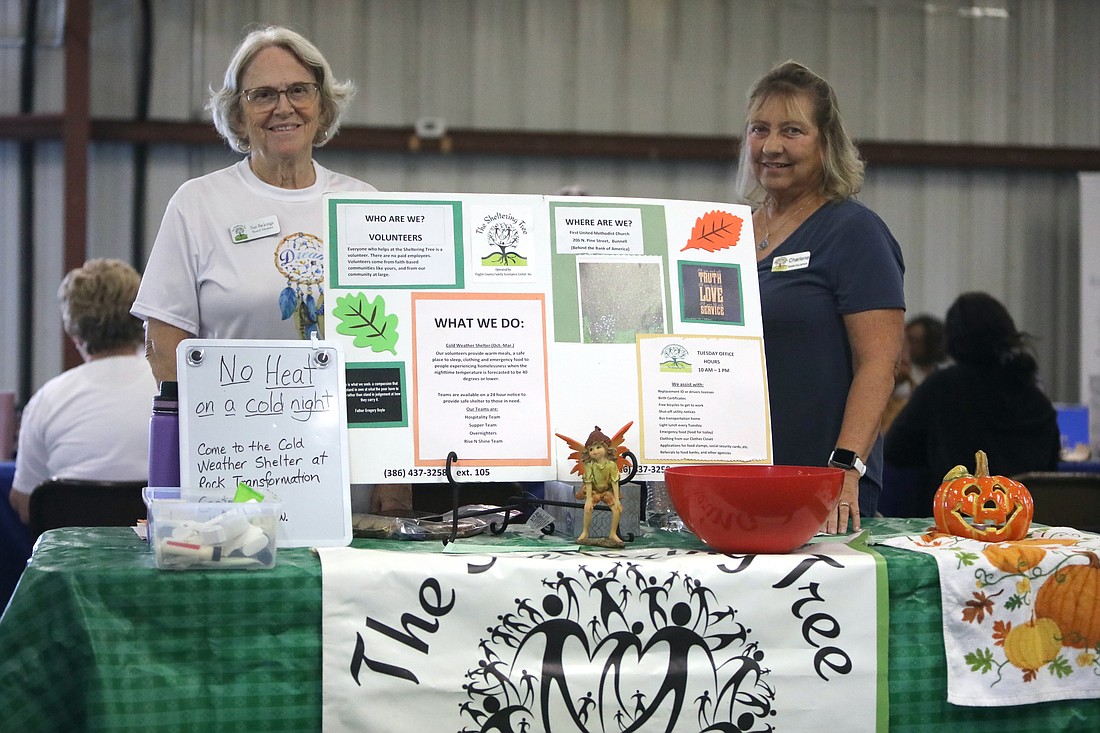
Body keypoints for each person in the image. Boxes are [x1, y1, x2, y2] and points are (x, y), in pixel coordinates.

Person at [129, 26, 413, 513]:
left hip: (347, 470)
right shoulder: (198, 204)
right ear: (238, 115)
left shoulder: (363, 205)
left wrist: (394, 476)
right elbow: (164, 346)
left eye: (299, 90)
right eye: (263, 95)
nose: (283, 107)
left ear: (322, 105)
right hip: (231, 467)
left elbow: (395, 350)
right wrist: (211, 447)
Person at [738, 60, 905, 533]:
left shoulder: (855, 232)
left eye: (792, 131)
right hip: (734, 480)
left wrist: (845, 469)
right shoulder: (728, 234)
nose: (772, 146)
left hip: (821, 489)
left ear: (827, 143)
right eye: (759, 129)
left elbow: (879, 365)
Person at [883, 292, 1060, 515]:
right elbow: (1050, 472)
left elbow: (895, 450)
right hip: (1026, 526)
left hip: (957, 524)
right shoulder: (1034, 395)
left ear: (952, 339)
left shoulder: (941, 387)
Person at [9, 259, 157, 524]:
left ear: (72, 329)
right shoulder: (174, 390)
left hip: (71, 562)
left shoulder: (47, 400)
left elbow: (26, 505)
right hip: (161, 555)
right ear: (141, 317)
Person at [905, 314, 948, 385]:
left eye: (913, 340)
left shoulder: (943, 378)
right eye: (906, 337)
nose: (905, 343)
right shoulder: (900, 371)